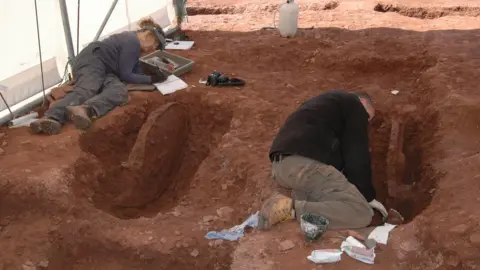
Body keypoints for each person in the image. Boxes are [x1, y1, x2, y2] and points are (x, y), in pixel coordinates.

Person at [258, 90, 388, 230]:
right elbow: (357, 155)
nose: (364, 123)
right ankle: (287, 208)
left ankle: (294, 210)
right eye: (366, 118)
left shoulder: (320, 107)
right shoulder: (354, 104)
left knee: (328, 204)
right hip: (305, 165)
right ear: (363, 103)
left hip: (283, 168)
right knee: (361, 212)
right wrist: (367, 197)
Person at [30, 17, 167, 135]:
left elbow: (134, 72)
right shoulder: (132, 42)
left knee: (118, 92)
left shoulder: (134, 45)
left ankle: (85, 109)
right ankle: (52, 117)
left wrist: (151, 75)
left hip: (106, 70)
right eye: (156, 44)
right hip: (93, 60)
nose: (154, 49)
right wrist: (152, 79)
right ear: (149, 35)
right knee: (88, 89)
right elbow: (127, 75)